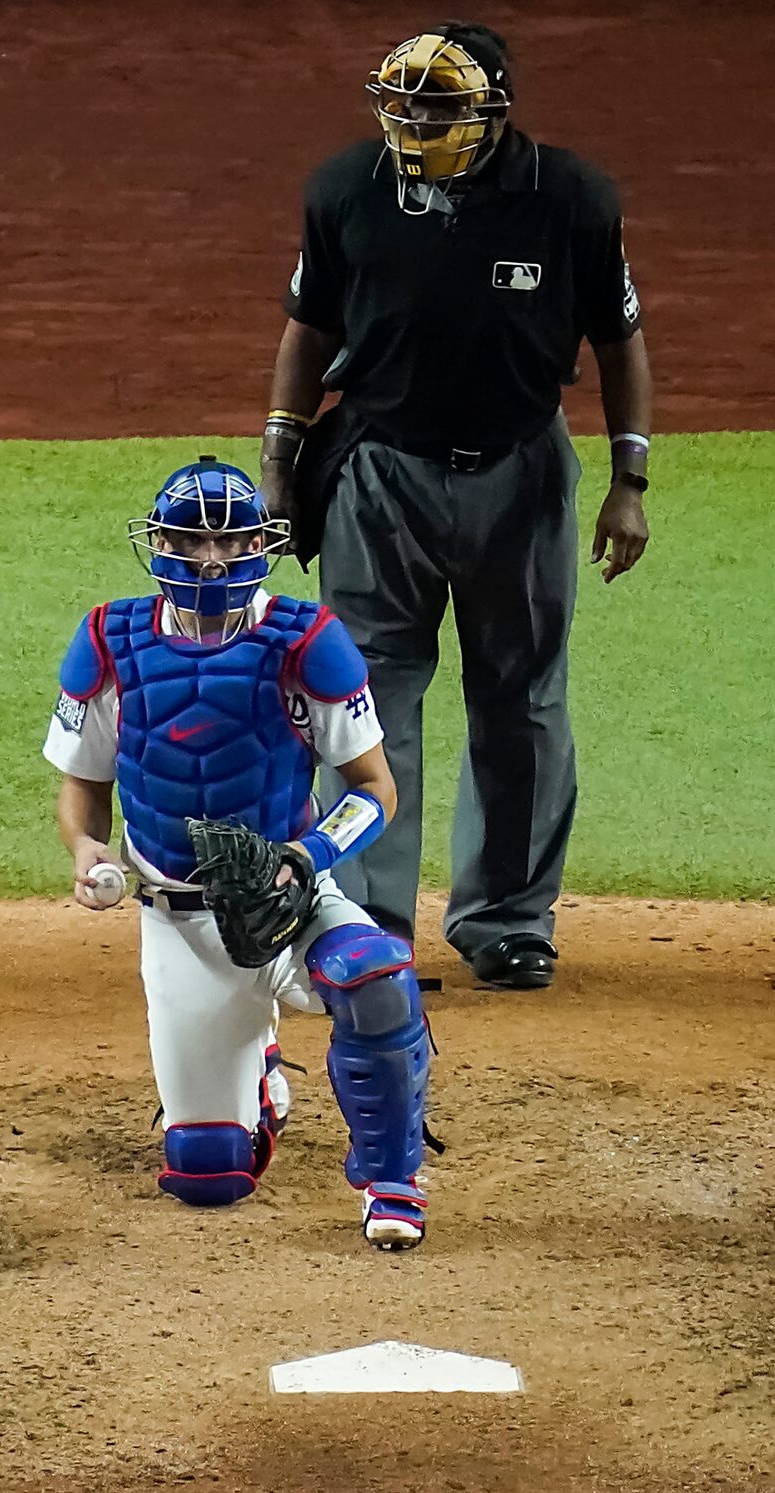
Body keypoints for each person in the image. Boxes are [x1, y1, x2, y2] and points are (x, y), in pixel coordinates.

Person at [259, 21, 652, 991]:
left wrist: (629, 481)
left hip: (523, 473)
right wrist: (281, 458)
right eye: (406, 101)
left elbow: (618, 340)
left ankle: (507, 921)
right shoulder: (347, 189)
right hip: (379, 473)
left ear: (496, 109)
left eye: (439, 104)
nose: (417, 120)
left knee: (522, 700)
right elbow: (307, 332)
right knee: (363, 703)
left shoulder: (569, 200)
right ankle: (362, 923)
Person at [50, 458, 434, 1250]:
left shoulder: (306, 642)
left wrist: (309, 854)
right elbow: (83, 786)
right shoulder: (108, 641)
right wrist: (86, 849)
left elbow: (374, 790)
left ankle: (392, 1179)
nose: (212, 560)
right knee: (210, 1171)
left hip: (289, 894)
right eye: (191, 541)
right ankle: (255, 1073)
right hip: (178, 915)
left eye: (231, 539)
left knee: (375, 975)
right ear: (159, 545)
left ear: (264, 541)